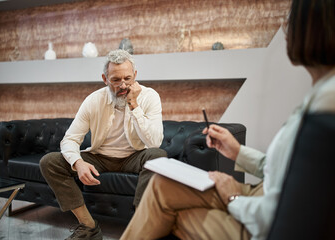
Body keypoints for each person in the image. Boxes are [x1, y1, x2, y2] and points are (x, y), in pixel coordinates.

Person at [120, 0, 335, 239]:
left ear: (314, 28)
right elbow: (282, 170)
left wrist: (233, 197)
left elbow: (283, 217)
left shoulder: (325, 112)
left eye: (291, 20)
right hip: (264, 194)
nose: (285, 27)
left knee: (173, 213)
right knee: (161, 184)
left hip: (264, 212)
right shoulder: (317, 97)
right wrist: (237, 151)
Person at [40, 49, 167, 240]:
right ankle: (88, 227)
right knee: (49, 162)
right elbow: (70, 139)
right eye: (116, 80)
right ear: (105, 78)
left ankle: (139, 227)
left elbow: (154, 142)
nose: (123, 85)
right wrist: (78, 163)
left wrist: (134, 105)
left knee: (158, 156)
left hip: (135, 156)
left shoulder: (149, 97)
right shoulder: (94, 100)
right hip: (100, 157)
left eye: (127, 78)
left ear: (135, 76)